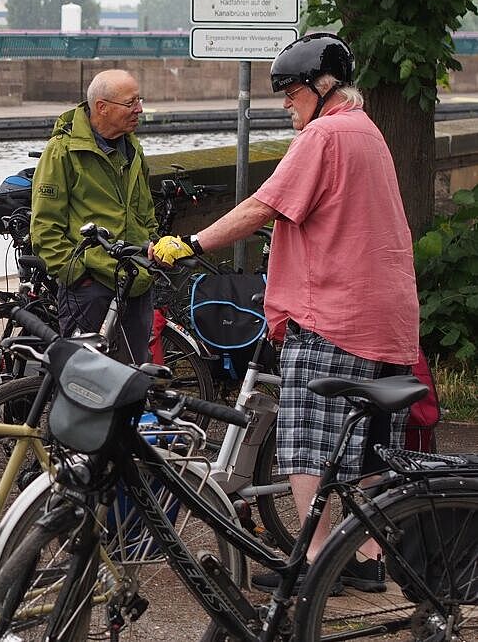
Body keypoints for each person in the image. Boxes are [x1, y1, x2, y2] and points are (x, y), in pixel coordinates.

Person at [151, 33, 419, 590]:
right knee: (368, 443)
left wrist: (192, 244)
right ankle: (366, 556)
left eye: (291, 90)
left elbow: (262, 205)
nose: (284, 101)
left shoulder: (326, 134)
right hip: (385, 316)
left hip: (334, 314)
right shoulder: (368, 132)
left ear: (323, 88)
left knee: (305, 441)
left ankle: (315, 561)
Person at [29, 69, 158, 363]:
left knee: (133, 378)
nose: (139, 109)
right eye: (131, 103)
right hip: (90, 288)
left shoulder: (132, 149)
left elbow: (145, 210)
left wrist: (151, 247)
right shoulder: (63, 151)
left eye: (140, 100)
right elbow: (45, 226)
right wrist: (77, 275)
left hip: (134, 282)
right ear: (102, 107)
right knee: (84, 380)